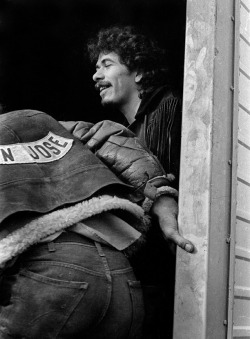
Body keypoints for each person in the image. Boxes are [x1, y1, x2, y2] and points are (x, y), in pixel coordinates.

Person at [0, 109, 192, 338]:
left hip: (47, 279)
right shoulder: (34, 121)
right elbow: (113, 141)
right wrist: (161, 197)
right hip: (122, 276)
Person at [87, 25, 188, 338]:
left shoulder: (169, 109)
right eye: (95, 67)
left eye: (107, 64)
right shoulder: (127, 132)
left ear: (139, 72)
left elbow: (173, 181)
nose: (95, 74)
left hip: (173, 272)